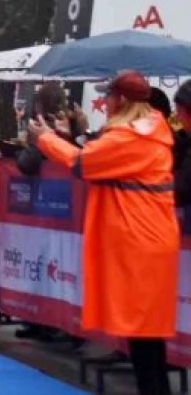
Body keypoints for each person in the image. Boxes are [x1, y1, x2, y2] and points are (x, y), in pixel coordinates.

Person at [28, 71, 178, 395]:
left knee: (143, 337)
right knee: (147, 336)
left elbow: (84, 164)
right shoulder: (150, 131)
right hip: (149, 238)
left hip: (139, 242)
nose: (105, 103)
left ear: (120, 100)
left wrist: (45, 138)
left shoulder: (130, 137)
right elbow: (98, 159)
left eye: (108, 96)